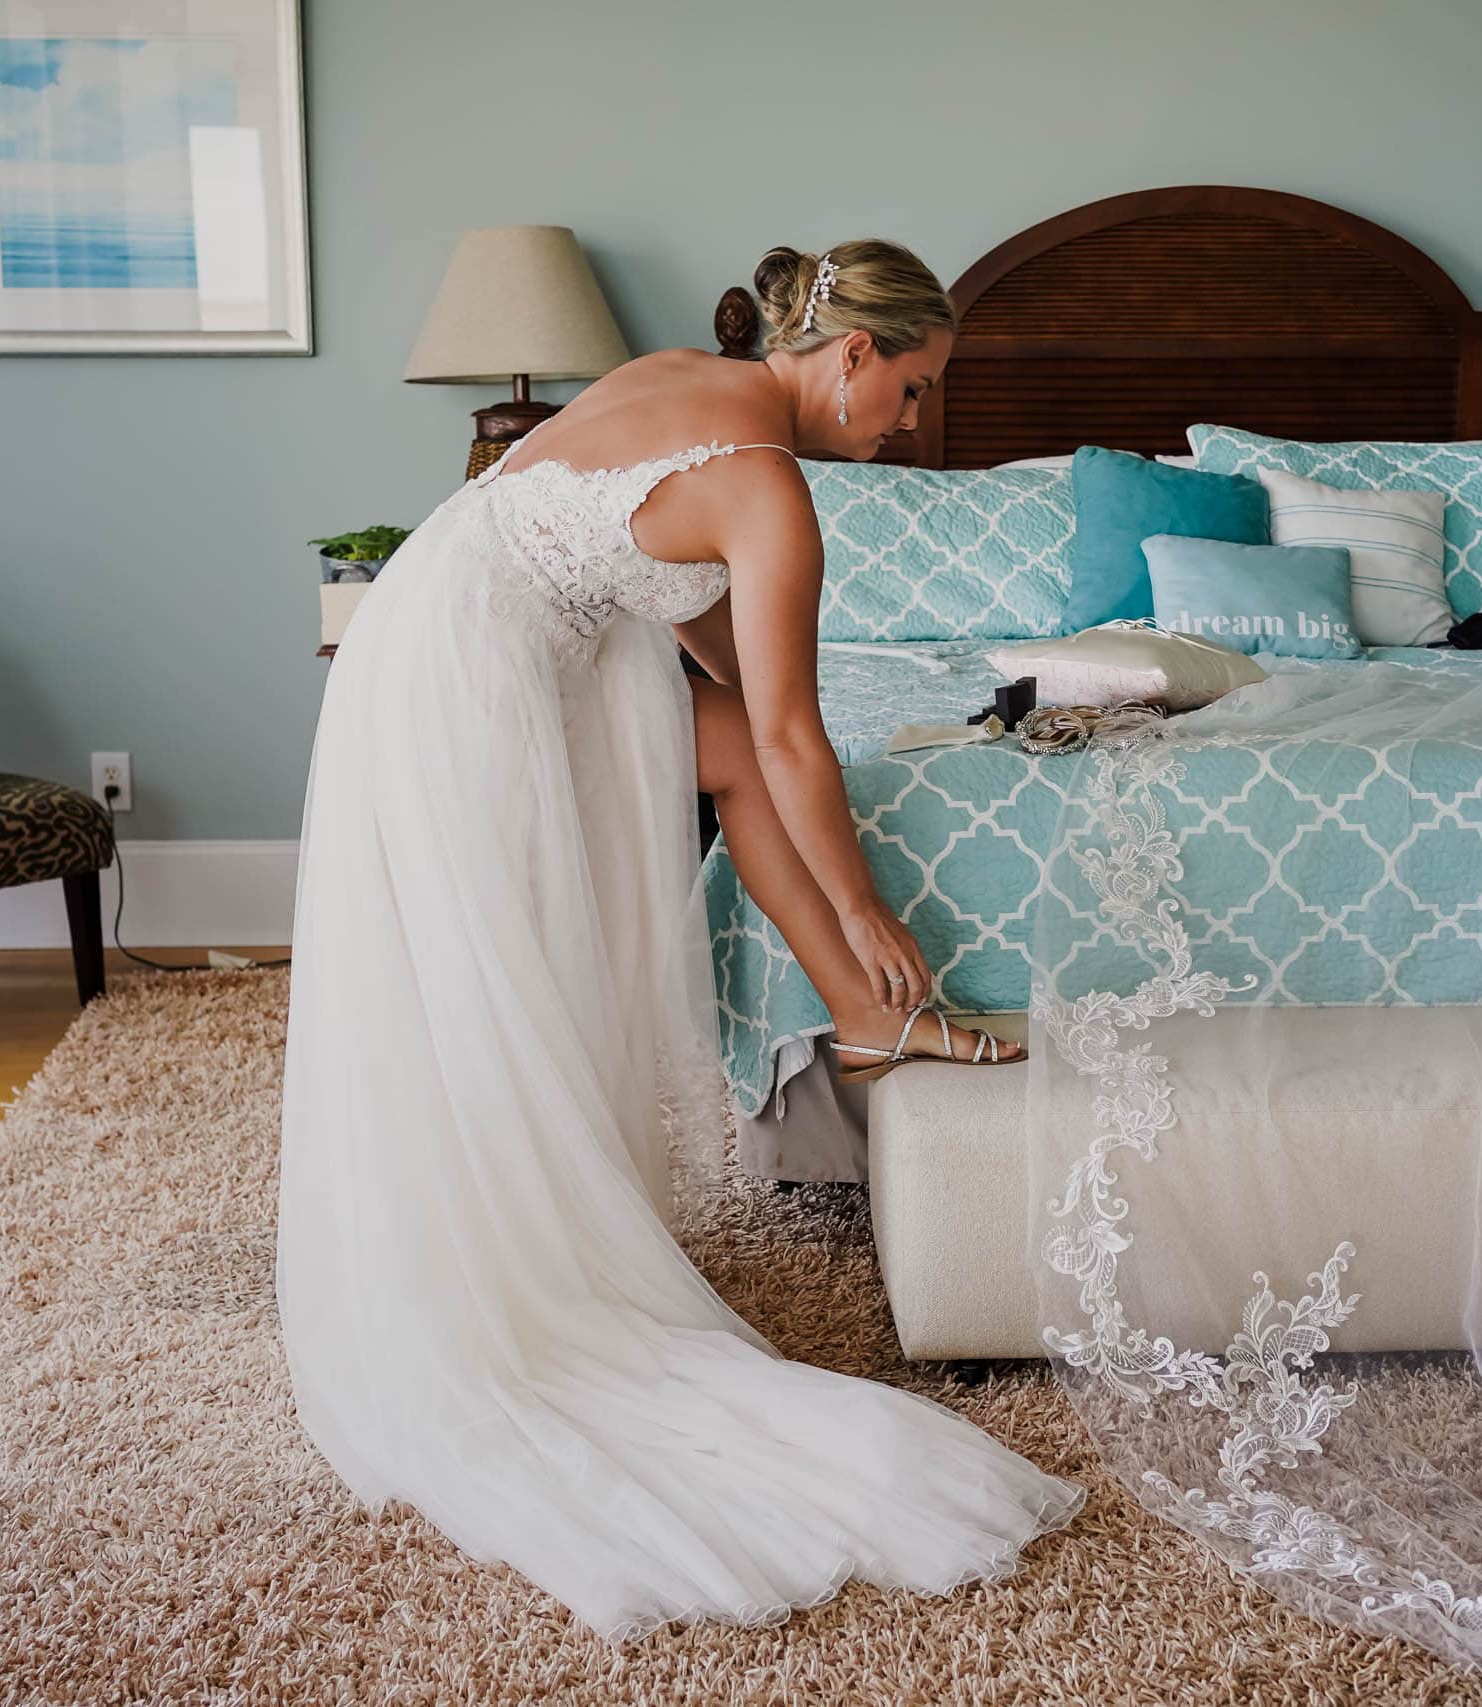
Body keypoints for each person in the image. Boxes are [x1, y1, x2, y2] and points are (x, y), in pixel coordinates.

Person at [275, 240, 1077, 1639]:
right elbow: (785, 725)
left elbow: (713, 663)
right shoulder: (771, 490)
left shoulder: (684, 378)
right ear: (851, 357)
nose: (912, 422)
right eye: (913, 388)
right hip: (467, 675)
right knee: (493, 977)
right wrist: (868, 904)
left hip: (442, 617)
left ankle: (868, 1017)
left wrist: (830, 872)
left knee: (739, 776)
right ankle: (510, 1240)